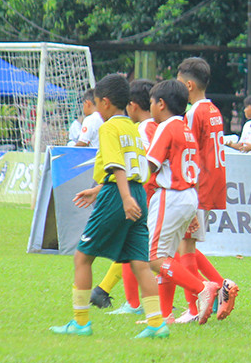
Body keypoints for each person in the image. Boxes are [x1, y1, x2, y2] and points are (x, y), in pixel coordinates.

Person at [50, 74, 165, 338]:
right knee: (140, 262)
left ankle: (80, 323)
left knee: (82, 257)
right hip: (136, 191)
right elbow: (136, 169)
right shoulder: (133, 129)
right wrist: (99, 188)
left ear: (104, 102)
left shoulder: (108, 128)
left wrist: (122, 197)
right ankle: (157, 325)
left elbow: (117, 166)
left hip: (120, 195)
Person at [147, 79, 220, 324]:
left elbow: (150, 165)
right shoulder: (186, 129)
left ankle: (202, 288)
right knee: (166, 256)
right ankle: (165, 315)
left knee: (155, 259)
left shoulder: (166, 127)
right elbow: (196, 170)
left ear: (161, 103)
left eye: (151, 102)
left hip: (171, 194)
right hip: (189, 195)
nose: (150, 107)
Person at [177, 57, 238, 323]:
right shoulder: (213, 109)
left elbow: (190, 152)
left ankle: (195, 306)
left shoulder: (193, 114)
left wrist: (187, 188)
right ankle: (220, 286)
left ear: (189, 85)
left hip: (196, 186)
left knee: (184, 246)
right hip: (210, 184)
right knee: (185, 244)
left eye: (179, 84)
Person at [91, 79, 157, 315]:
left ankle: (202, 289)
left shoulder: (140, 128)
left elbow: (127, 165)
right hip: (142, 191)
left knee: (138, 252)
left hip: (137, 191)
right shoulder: (141, 128)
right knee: (140, 252)